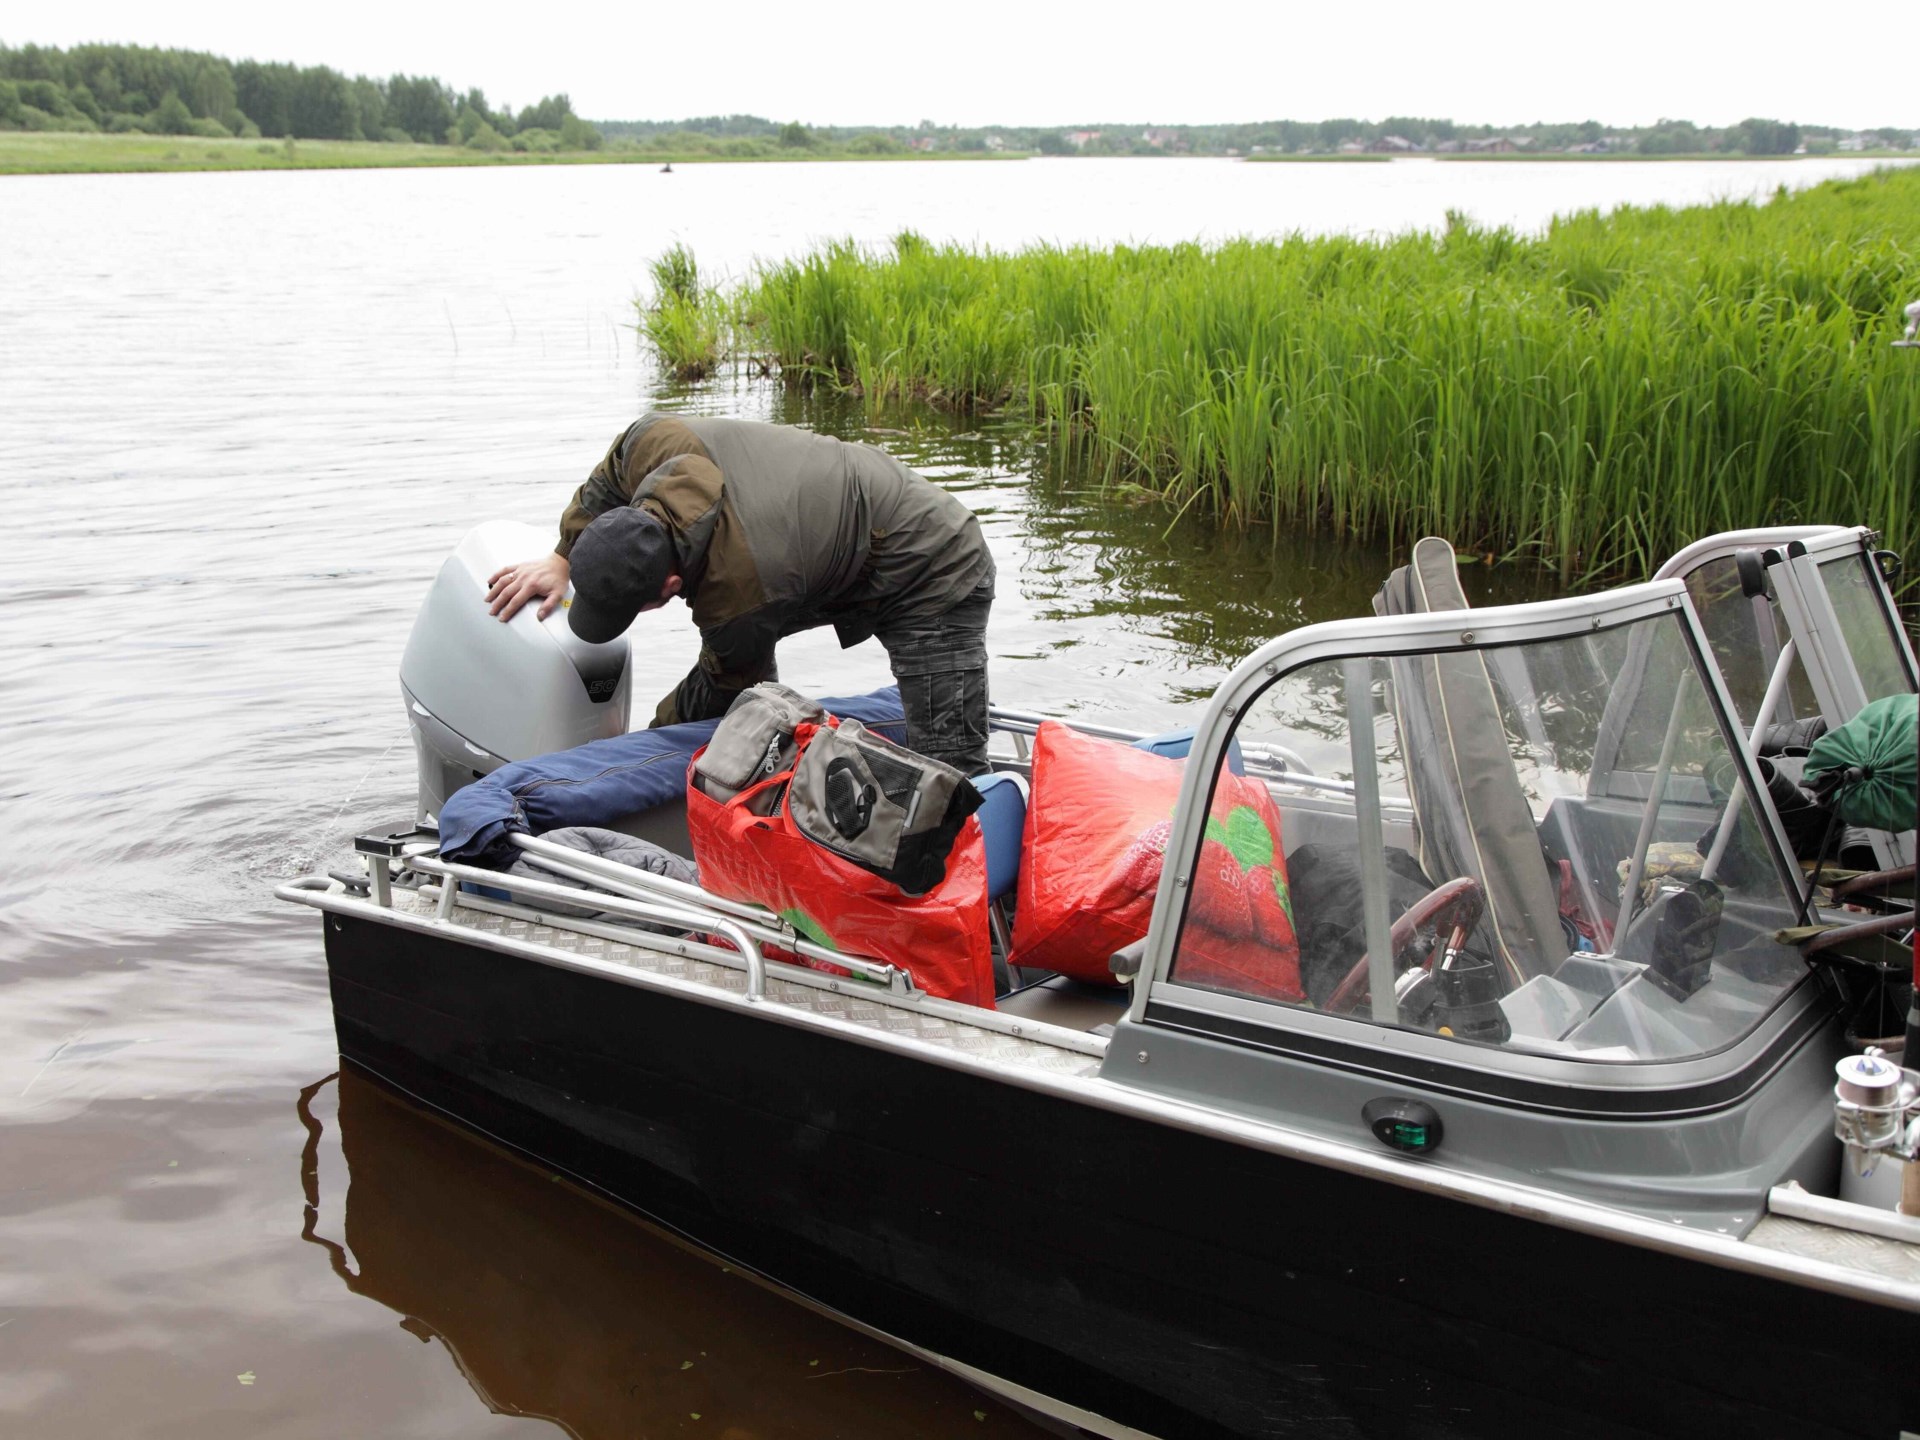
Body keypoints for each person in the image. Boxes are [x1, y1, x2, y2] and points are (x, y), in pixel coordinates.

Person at [487, 412, 995, 775]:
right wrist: (563, 554)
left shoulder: (740, 593)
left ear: (667, 588)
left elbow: (739, 693)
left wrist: (643, 745)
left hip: (934, 566)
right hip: (847, 521)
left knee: (951, 767)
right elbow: (610, 472)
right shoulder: (652, 442)